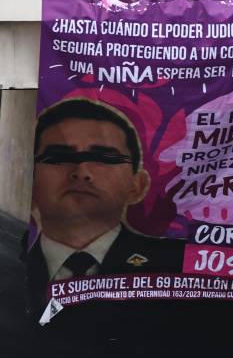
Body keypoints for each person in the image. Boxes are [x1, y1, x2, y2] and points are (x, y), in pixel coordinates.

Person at [26, 98, 183, 308]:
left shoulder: (173, 265)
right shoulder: (12, 264)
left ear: (137, 186)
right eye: (59, 157)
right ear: (31, 180)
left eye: (105, 158)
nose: (81, 172)